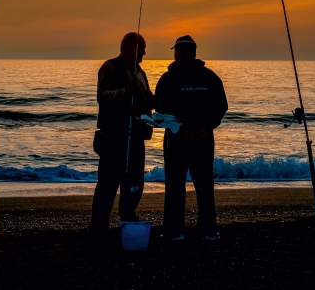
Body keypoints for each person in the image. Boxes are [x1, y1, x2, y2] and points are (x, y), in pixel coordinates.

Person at [154, 35, 228, 241]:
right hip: (203, 138)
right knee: (204, 184)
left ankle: (175, 231)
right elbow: (221, 106)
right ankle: (209, 231)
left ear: (177, 53)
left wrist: (183, 126)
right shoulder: (210, 77)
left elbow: (159, 106)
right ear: (194, 53)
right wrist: (207, 126)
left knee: (175, 185)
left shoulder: (168, 78)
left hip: (178, 138)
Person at [89, 32, 154, 240]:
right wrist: (124, 91)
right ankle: (99, 226)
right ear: (128, 47)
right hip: (113, 138)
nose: (144, 51)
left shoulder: (141, 73)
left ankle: (128, 217)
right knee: (107, 184)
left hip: (135, 138)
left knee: (135, 183)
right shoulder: (110, 67)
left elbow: (147, 99)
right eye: (141, 47)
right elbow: (101, 96)